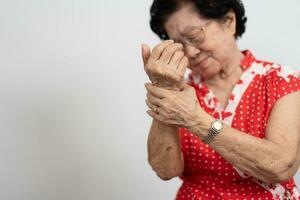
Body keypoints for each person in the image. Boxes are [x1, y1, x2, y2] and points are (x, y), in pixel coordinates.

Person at [141, 0, 300, 199]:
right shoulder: (180, 92)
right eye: (179, 45)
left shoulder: (281, 79)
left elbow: (281, 166)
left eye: (194, 36)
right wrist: (164, 89)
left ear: (229, 21)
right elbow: (165, 170)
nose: (191, 52)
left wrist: (196, 120)